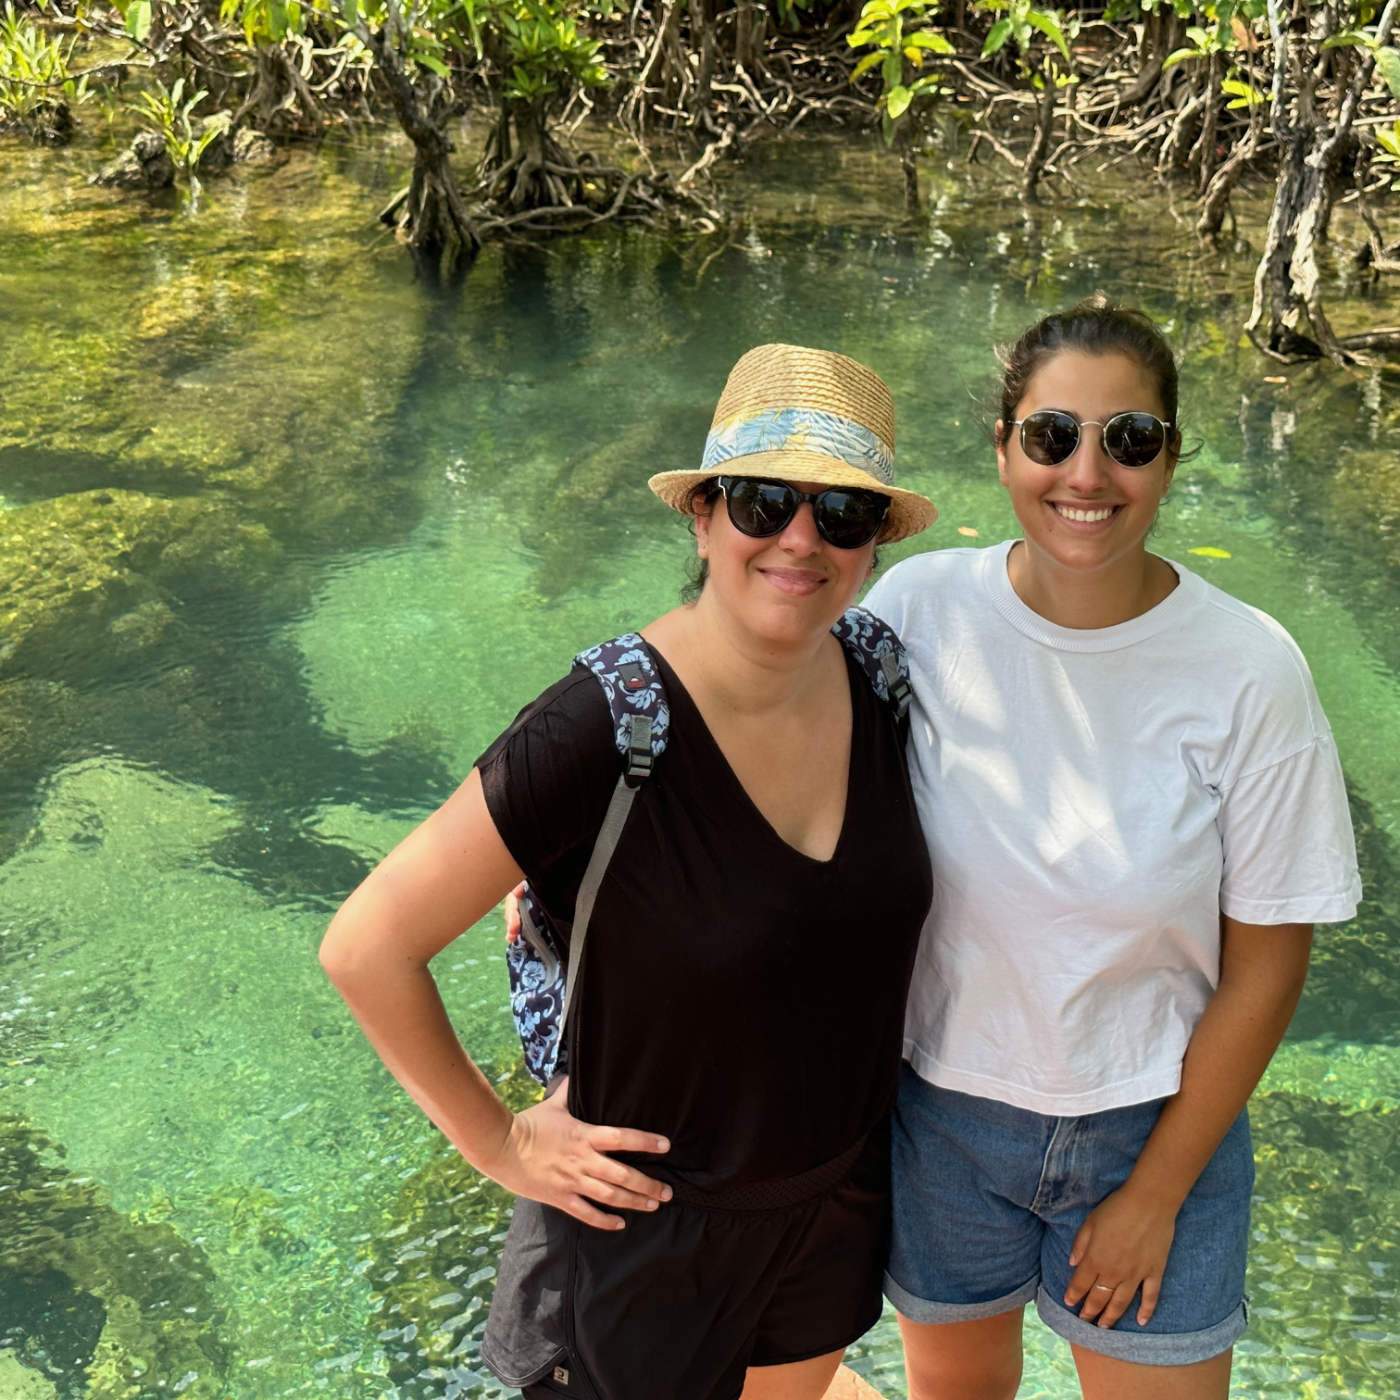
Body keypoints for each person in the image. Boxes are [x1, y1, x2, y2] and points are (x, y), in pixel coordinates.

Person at [319, 343, 938, 1400]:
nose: (799, 538)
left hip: (827, 1203)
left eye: (839, 513)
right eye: (759, 501)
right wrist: (502, 1143)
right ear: (699, 516)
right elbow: (367, 943)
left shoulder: (878, 675)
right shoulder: (606, 721)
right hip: (637, 1238)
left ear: (874, 542)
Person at [865, 297, 1361, 1400]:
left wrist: (1153, 1192)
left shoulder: (1248, 667)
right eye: (1051, 436)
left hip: (1157, 1122)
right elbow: (760, 721)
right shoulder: (915, 609)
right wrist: (563, 852)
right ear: (1001, 450)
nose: (1085, 473)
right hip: (941, 1108)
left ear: (1169, 457)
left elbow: (1270, 959)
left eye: (1126, 438)